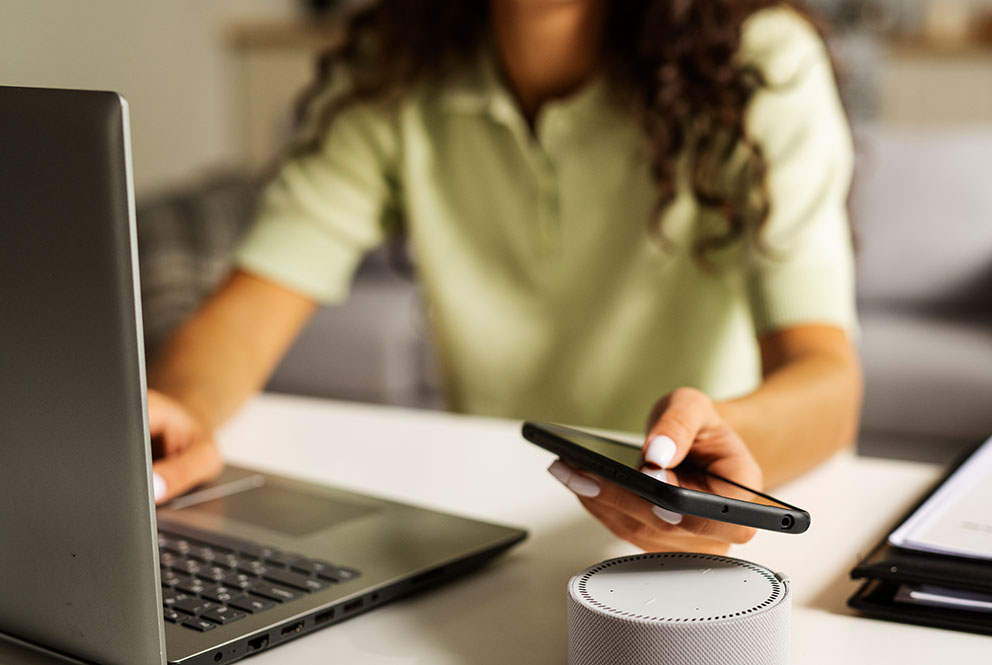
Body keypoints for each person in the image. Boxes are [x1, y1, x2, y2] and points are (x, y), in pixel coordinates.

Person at [148, 0, 862, 555]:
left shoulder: (761, 64)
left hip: (727, 537)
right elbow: (249, 309)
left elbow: (828, 380)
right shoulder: (396, 68)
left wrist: (715, 459)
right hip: (494, 521)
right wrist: (177, 415)